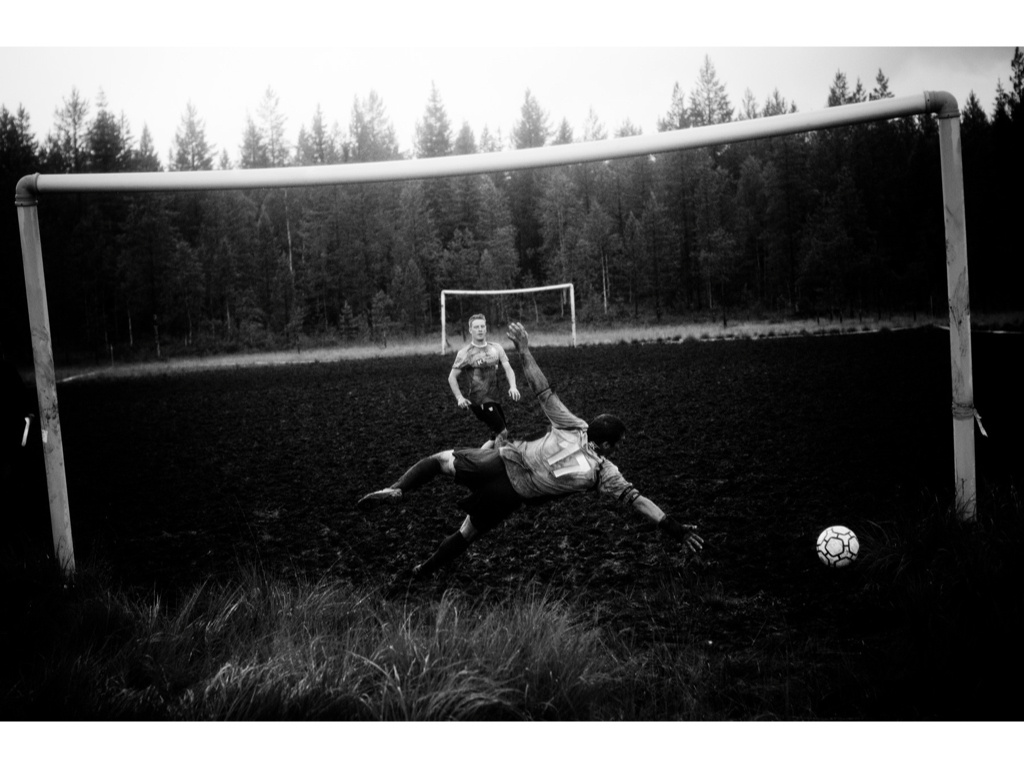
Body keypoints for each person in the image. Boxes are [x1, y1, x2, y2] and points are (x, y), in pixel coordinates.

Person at [359, 321, 703, 590]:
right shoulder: (603, 472)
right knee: (466, 535)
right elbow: (637, 500)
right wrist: (674, 528)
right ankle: (422, 571)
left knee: (438, 461)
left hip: (502, 461)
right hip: (511, 496)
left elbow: (542, 389)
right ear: (610, 447)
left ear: (592, 428)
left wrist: (523, 350)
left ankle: (398, 490)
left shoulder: (575, 427)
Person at [447, 313, 520, 443]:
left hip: (494, 399)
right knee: (502, 433)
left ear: (486, 328)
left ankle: (476, 461)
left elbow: (508, 368)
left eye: (482, 326)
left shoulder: (496, 348)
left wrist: (513, 387)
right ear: (470, 330)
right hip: (479, 401)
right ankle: (499, 463)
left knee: (497, 436)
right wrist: (459, 398)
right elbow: (452, 377)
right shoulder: (465, 353)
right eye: (476, 327)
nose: (480, 329)